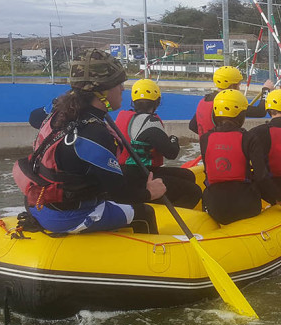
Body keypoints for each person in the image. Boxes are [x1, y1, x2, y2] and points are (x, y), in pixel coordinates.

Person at [12, 49, 166, 234]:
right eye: (119, 84)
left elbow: (34, 118)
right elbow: (121, 194)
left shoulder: (59, 110)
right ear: (102, 91)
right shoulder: (95, 134)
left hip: (38, 204)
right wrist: (150, 192)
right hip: (65, 216)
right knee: (145, 212)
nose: (123, 90)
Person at [199, 89, 281, 225]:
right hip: (246, 208)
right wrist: (280, 199)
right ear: (241, 115)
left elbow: (208, 171)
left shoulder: (204, 139)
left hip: (216, 209)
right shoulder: (249, 137)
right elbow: (262, 176)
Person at [115, 79, 203, 210]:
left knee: (188, 175)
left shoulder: (124, 118)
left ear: (134, 102)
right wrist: (174, 139)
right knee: (194, 191)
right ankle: (169, 217)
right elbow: (171, 153)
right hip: (138, 177)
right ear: (157, 102)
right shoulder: (150, 123)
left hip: (127, 172)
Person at [188, 65, 273, 138]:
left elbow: (192, 126)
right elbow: (260, 112)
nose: (239, 88)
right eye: (238, 84)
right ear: (232, 85)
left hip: (209, 149)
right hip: (225, 148)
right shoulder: (229, 102)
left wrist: (208, 139)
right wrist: (266, 90)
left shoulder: (204, 100)